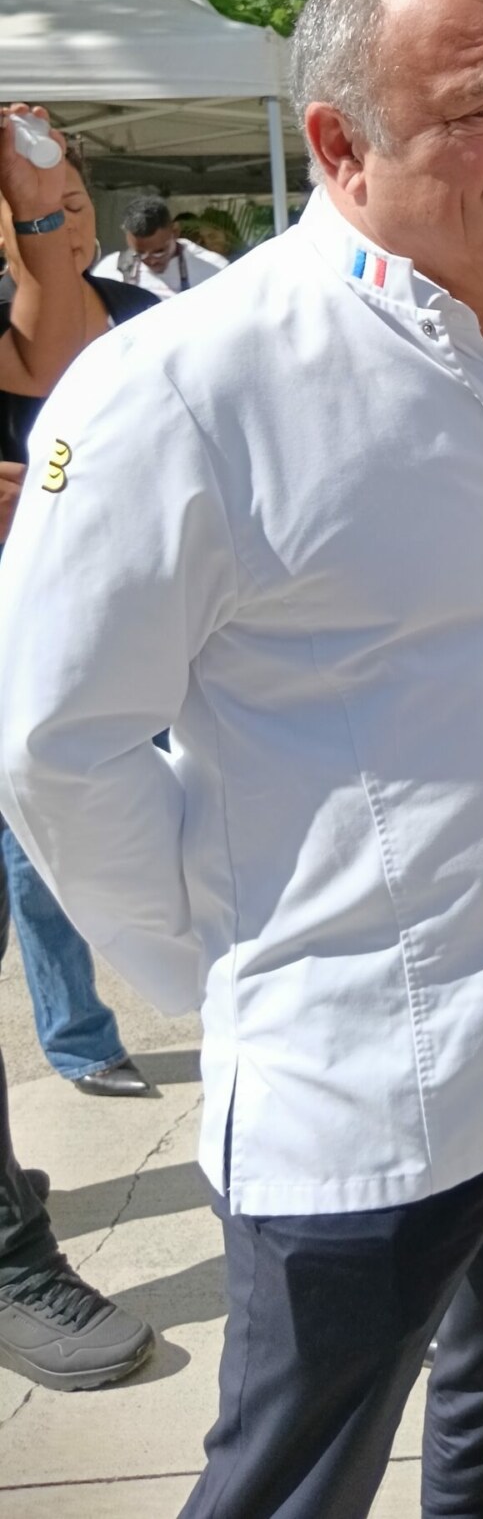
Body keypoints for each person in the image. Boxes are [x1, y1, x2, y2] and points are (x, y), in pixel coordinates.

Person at [0, 0, 483, 1515]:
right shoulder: (187, 388)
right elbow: (55, 743)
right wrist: (228, 961)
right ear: (337, 145)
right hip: (366, 1103)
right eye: (482, 105)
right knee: (287, 1491)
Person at [0, 104, 155, 1392]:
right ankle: (5, 1252)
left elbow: (61, 373)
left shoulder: (105, 305)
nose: (58, 214)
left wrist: (46, 241)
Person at [92, 195, 229, 298]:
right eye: (140, 253)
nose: (151, 260)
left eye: (159, 251)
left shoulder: (214, 270)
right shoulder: (109, 271)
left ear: (175, 232)